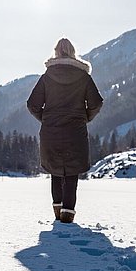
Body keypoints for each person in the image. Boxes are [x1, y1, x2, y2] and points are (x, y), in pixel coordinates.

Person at [26, 38, 103, 223]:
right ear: (73, 52)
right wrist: (84, 117)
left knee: (55, 171)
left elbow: (32, 104)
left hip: (51, 132)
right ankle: (67, 214)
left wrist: (47, 118)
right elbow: (96, 103)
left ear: (56, 52)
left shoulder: (47, 76)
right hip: (75, 132)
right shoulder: (84, 76)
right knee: (72, 173)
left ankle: (57, 210)